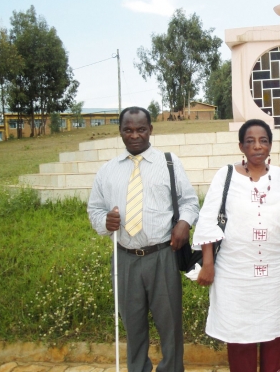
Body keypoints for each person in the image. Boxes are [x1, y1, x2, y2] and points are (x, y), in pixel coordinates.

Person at [88, 106, 199, 372]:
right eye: (128, 129)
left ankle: (172, 368)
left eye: (141, 129)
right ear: (120, 131)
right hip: (125, 257)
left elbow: (189, 202)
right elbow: (94, 209)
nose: (134, 135)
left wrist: (184, 223)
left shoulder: (169, 163)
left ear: (151, 130)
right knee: (132, 323)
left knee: (169, 323)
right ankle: (138, 368)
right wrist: (105, 221)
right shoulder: (107, 170)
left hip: (163, 255)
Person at [193, 119, 280, 372]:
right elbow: (209, 220)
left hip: (274, 274)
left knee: (274, 329)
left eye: (263, 141)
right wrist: (207, 264)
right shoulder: (226, 176)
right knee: (239, 331)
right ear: (241, 146)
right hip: (235, 273)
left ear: (270, 145)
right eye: (250, 141)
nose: (257, 146)